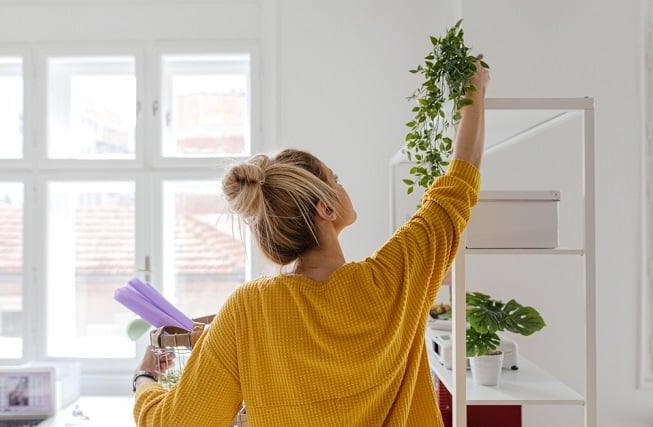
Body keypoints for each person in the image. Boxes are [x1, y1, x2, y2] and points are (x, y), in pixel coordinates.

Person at [131, 62, 489, 426]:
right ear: (325, 206)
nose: (343, 185)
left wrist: (144, 379)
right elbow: (459, 181)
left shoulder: (248, 309)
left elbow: (176, 423)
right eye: (337, 179)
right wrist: (475, 88)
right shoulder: (395, 278)